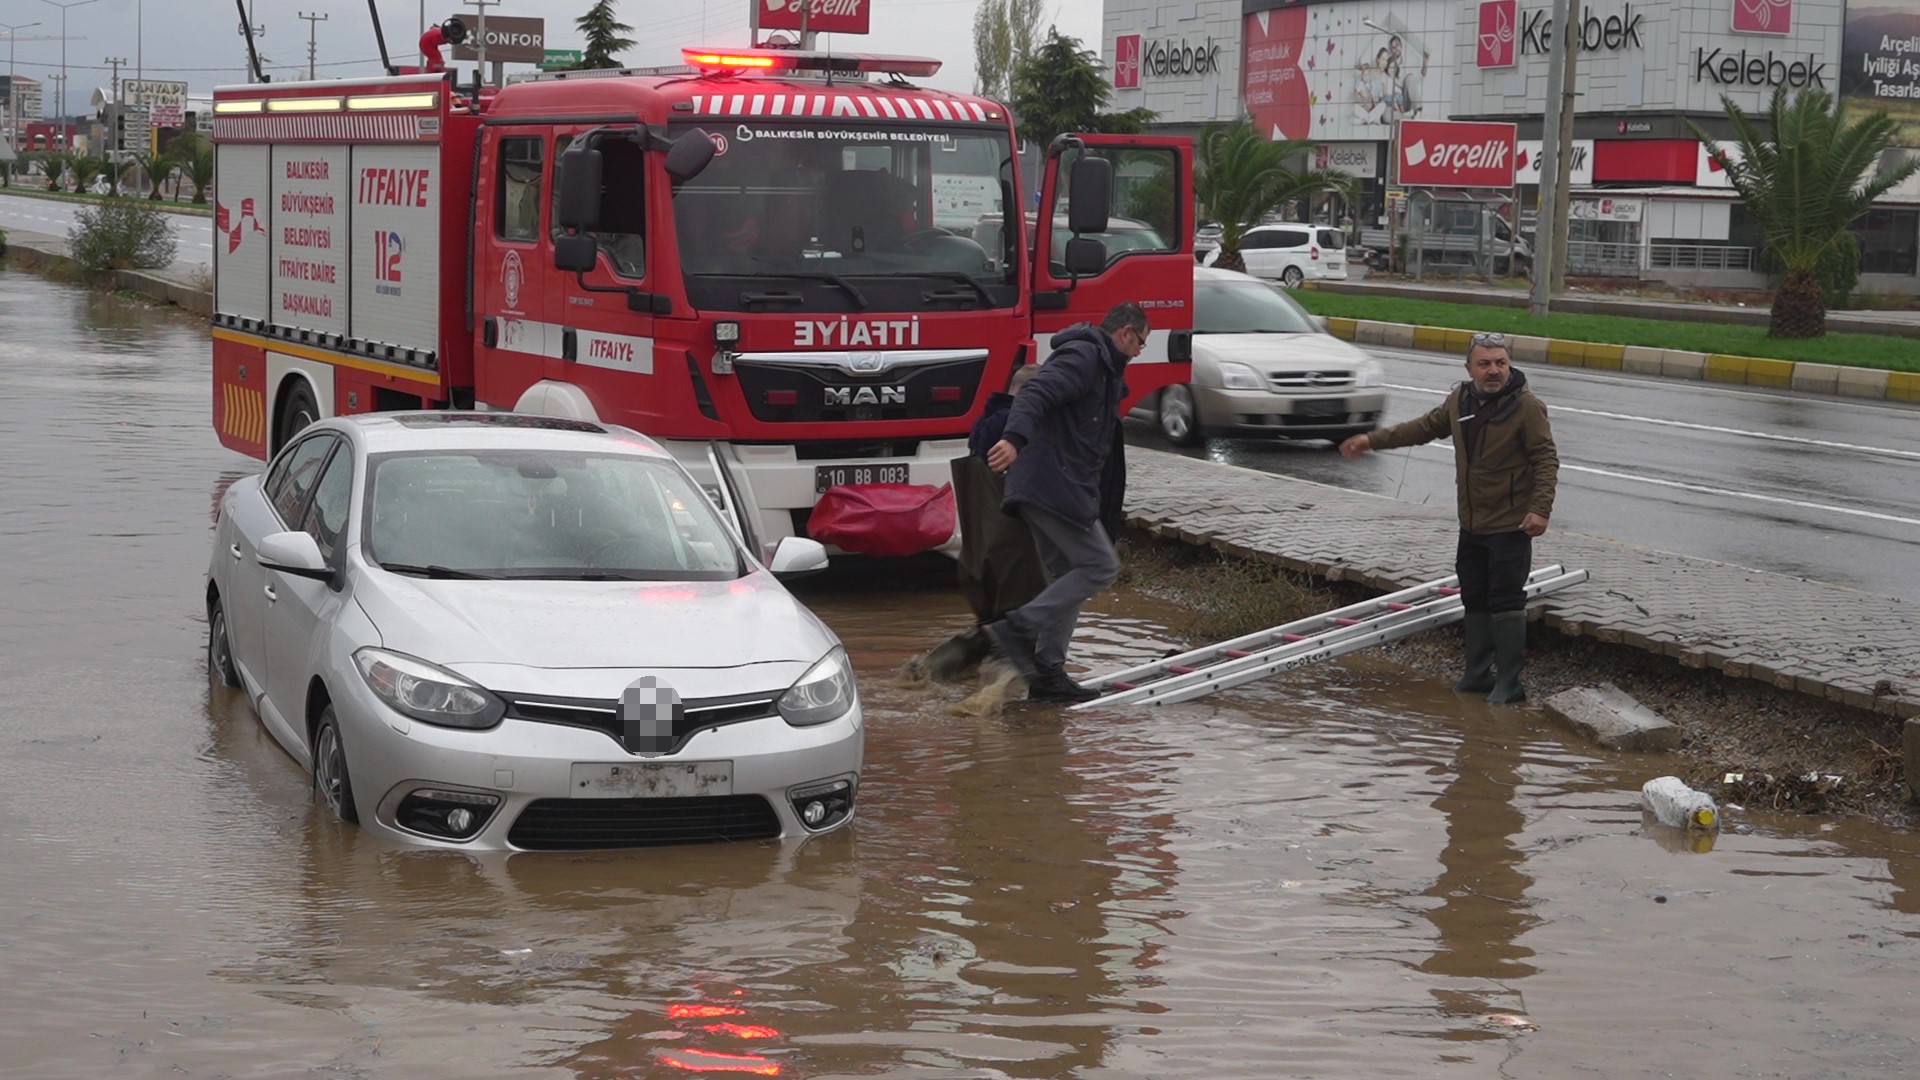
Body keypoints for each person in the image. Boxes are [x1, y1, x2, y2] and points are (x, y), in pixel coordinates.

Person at [1338, 331, 1559, 704]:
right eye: (1485, 364)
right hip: (1472, 523)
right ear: (1469, 367)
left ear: (1509, 364)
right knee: (1474, 595)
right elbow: (1424, 428)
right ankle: (1476, 674)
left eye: (1500, 363)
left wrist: (1540, 509)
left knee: (1506, 600)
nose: (1494, 371)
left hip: (1510, 524)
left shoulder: (1526, 407)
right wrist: (1371, 440)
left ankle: (1509, 682)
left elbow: (1546, 459)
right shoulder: (1461, 399)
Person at [983, 303, 1149, 704]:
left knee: (1067, 578)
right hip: (1052, 487)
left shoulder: (1104, 368)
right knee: (1100, 566)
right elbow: (1035, 392)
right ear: (1126, 333)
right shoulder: (1085, 357)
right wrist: (1014, 439)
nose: (1140, 352)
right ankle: (1017, 628)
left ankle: (1046, 674)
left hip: (1057, 486)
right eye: (1141, 342)